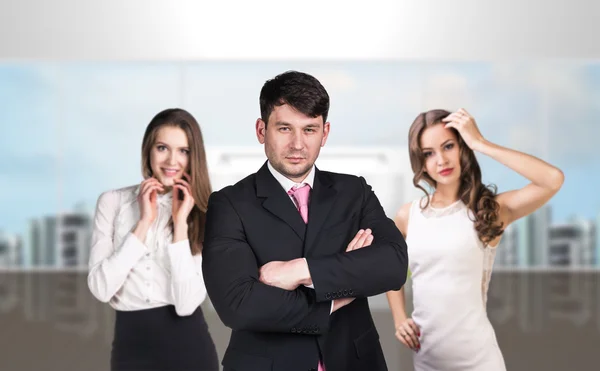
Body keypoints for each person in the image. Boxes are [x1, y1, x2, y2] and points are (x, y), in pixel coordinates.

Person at [201, 70, 409, 371]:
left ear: (324, 133)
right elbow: (238, 305)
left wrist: (299, 270)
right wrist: (342, 289)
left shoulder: (355, 193)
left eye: (309, 130)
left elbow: (392, 265)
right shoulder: (230, 204)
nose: (298, 144)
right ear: (261, 130)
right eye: (285, 128)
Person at [386, 108, 565, 371]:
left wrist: (481, 143)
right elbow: (388, 267)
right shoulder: (408, 216)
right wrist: (400, 319)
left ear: (463, 148)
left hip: (479, 361)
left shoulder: (490, 211)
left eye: (449, 146)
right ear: (420, 161)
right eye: (429, 153)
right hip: (427, 361)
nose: (441, 160)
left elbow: (552, 180)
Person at [87, 108, 219, 371]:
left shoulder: (205, 212)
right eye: (162, 147)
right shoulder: (113, 202)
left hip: (189, 349)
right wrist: (144, 223)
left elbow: (186, 305)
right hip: (129, 348)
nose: (172, 160)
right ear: (148, 149)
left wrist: (180, 224)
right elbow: (101, 289)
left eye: (183, 150)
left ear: (194, 157)